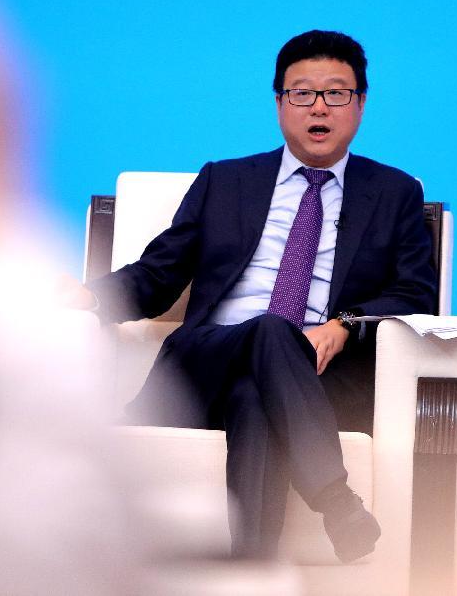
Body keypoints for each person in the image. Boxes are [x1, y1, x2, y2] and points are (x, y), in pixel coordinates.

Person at [81, 30, 437, 562]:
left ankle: (251, 570)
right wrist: (87, 297)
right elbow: (158, 275)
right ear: (279, 104)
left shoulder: (395, 192)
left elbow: (415, 292)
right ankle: (336, 501)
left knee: (255, 396)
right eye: (303, 93)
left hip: (312, 379)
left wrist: (342, 323)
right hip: (204, 361)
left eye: (336, 93)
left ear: (360, 104)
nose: (319, 107)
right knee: (272, 329)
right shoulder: (225, 181)